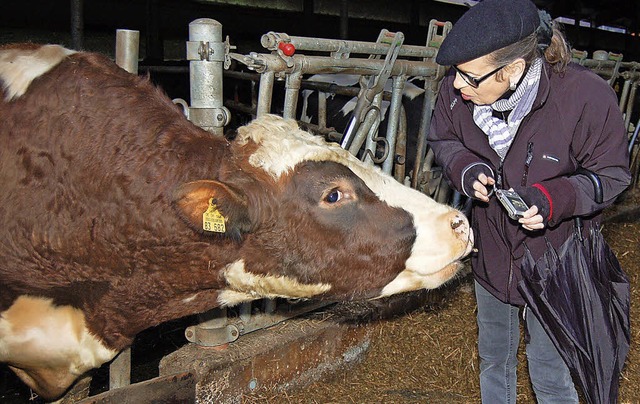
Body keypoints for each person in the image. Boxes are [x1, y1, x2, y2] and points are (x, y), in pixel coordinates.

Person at [427, 0, 631, 402]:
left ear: (514, 70)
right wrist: (466, 168)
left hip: (556, 259)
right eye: (456, 74)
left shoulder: (584, 96)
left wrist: (556, 197)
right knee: (493, 358)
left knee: (550, 369)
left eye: (469, 77)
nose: (456, 87)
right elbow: (443, 139)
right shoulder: (458, 94)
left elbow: (612, 175)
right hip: (493, 255)